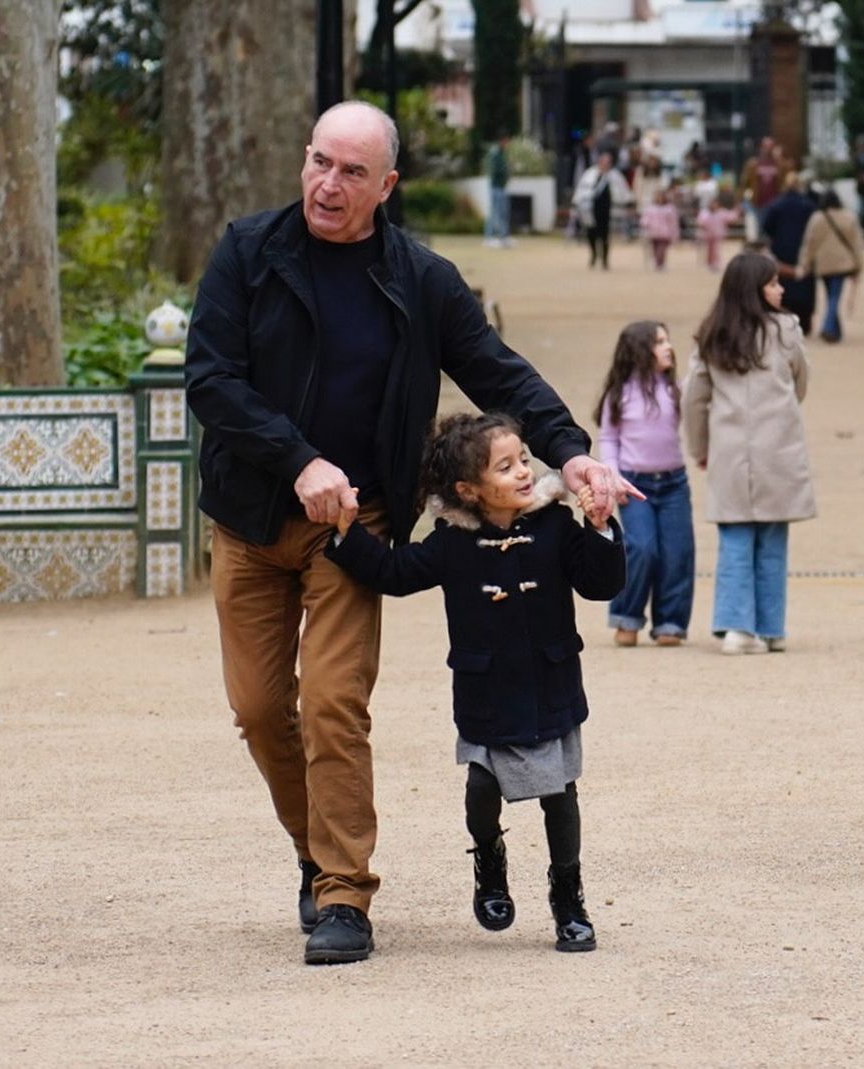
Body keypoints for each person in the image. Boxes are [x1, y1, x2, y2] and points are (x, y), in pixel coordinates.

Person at [184, 100, 633, 965]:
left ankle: (345, 895)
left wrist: (571, 456)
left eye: (353, 171)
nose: (329, 182)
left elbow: (500, 371)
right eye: (320, 161)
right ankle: (317, 854)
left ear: (386, 186)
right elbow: (211, 378)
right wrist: (298, 459)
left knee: (332, 704)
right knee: (257, 709)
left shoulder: (421, 278)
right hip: (250, 515)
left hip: (356, 522)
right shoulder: (247, 251)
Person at [326, 413, 625, 953]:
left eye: (525, 460)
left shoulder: (555, 525)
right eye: (505, 467)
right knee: (482, 787)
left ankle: (569, 898)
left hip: (550, 681)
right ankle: (489, 858)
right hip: (486, 689)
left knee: (560, 796)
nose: (523, 473)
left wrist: (600, 526)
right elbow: (395, 574)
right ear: (468, 489)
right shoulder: (453, 543)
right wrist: (348, 536)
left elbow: (601, 584)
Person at [684, 252, 816, 655]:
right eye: (773, 283)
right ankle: (770, 626)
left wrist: (700, 446)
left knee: (736, 538)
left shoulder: (712, 335)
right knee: (773, 538)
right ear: (755, 290)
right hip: (778, 448)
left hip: (730, 450)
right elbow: (801, 381)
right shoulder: (786, 329)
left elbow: (694, 399)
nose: (781, 289)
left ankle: (738, 626)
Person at [594, 321, 694, 648]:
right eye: (660, 342)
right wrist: (612, 476)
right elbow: (608, 438)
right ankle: (627, 616)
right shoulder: (619, 395)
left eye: (668, 340)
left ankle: (670, 622)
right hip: (633, 485)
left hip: (673, 482)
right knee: (642, 548)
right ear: (640, 351)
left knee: (677, 552)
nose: (668, 347)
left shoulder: (673, 388)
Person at [796, 189, 864, 344]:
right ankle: (830, 328)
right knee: (834, 297)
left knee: (831, 296)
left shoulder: (817, 218)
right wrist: (859, 266)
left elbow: (809, 243)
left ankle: (835, 331)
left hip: (823, 264)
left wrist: (805, 263)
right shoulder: (849, 217)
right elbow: (857, 244)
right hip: (842, 264)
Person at [760, 172, 819, 335]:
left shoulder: (776, 205)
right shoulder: (809, 205)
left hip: (782, 250)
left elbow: (766, 227)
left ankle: (783, 320)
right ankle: (805, 323)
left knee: (783, 286)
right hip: (803, 250)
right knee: (805, 287)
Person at [572, 149, 631, 270]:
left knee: (605, 236)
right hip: (591, 209)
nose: (605, 164)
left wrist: (628, 203)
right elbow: (581, 190)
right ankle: (593, 254)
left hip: (608, 210)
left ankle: (605, 259)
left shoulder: (615, 176)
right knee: (591, 233)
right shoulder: (590, 174)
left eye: (608, 162)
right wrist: (576, 203)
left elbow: (623, 192)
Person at [739, 136, 786, 243]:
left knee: (772, 232)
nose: (768, 149)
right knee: (759, 232)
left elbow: (784, 182)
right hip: (758, 203)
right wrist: (741, 201)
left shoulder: (779, 164)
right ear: (761, 147)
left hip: (774, 204)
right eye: (766, 146)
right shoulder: (753, 164)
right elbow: (744, 183)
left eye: (771, 147)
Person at [696, 191, 741, 272]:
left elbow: (732, 217)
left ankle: (716, 263)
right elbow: (700, 222)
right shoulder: (705, 213)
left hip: (718, 234)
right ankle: (709, 263)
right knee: (709, 250)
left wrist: (736, 208)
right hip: (707, 235)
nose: (713, 205)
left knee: (715, 249)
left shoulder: (722, 212)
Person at [638, 187, 680, 271]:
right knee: (654, 249)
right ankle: (657, 262)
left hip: (665, 232)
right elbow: (645, 218)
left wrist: (675, 233)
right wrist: (644, 224)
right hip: (653, 232)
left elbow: (673, 222)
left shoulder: (669, 208)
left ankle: (660, 263)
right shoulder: (651, 208)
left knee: (662, 249)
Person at [483, 132, 512, 247]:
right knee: (496, 212)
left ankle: (503, 236)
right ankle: (490, 237)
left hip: (501, 187)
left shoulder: (501, 153)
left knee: (502, 212)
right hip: (496, 187)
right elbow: (496, 170)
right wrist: (506, 171)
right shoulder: (495, 153)